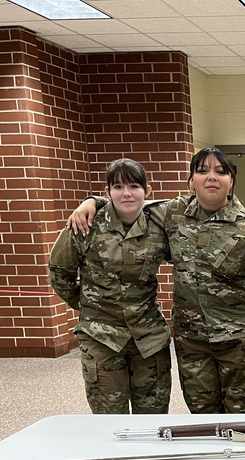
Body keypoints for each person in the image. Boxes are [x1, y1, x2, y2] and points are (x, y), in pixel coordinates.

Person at [67, 148, 245, 414]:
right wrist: (92, 201)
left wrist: (242, 310)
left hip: (241, 342)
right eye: (202, 171)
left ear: (232, 180)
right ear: (191, 180)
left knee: (244, 416)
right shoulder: (172, 213)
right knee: (201, 415)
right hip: (192, 340)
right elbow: (130, 201)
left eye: (221, 171)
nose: (211, 177)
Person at [49, 158, 172, 414]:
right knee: (109, 419)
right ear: (107, 192)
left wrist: (91, 199)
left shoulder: (159, 225)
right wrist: (89, 305)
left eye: (134, 186)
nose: (126, 193)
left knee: (153, 418)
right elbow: (60, 273)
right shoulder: (85, 225)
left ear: (147, 191)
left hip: (148, 340)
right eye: (117, 187)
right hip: (102, 339)